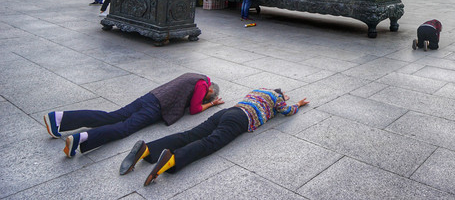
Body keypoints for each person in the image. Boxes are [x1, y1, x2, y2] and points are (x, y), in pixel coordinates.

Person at [120, 88, 309, 186]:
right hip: (240, 119)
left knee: (190, 134)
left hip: (227, 112)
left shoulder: (257, 91)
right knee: (210, 142)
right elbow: (287, 111)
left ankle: (147, 149)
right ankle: (173, 159)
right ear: (280, 94)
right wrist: (297, 104)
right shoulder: (276, 99)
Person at [44, 73, 223, 158]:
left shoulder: (193, 76)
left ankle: (60, 118)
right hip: (156, 106)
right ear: (211, 90)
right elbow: (194, 108)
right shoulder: (202, 84)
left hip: (150, 97)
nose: (204, 98)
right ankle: (82, 138)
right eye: (208, 96)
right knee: (124, 128)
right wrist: (210, 104)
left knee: (113, 116)